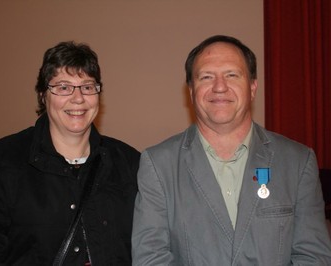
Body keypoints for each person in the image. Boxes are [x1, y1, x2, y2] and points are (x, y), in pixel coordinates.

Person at [131, 35, 331, 265]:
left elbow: (313, 257)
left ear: (253, 87)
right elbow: (150, 258)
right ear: (191, 91)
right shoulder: (157, 164)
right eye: (206, 77)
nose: (219, 87)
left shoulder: (297, 162)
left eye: (232, 75)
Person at [0, 41, 140, 265]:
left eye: (88, 86)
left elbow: (147, 246)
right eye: (63, 87)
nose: (78, 98)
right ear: (43, 95)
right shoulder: (6, 158)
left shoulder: (128, 161)